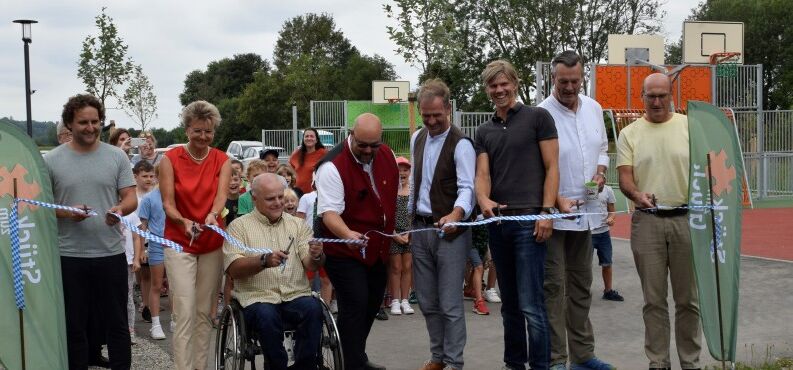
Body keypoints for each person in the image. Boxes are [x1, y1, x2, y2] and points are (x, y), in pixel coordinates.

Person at [474, 60, 560, 370]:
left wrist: (546, 212)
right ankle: (514, 363)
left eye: (503, 84)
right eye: (493, 86)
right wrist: (483, 198)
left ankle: (540, 366)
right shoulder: (484, 130)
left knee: (531, 305)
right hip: (499, 225)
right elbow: (482, 175)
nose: (499, 90)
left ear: (515, 84)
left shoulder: (539, 117)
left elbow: (552, 168)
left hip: (530, 223)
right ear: (487, 90)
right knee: (509, 305)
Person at [45, 94, 137, 369]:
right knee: (75, 325)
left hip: (110, 253)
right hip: (69, 255)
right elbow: (41, 207)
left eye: (95, 122)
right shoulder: (51, 160)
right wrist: (65, 212)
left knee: (117, 324)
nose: (90, 127)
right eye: (83, 122)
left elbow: (131, 197)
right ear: (69, 125)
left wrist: (120, 209)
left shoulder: (116, 156)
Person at [616, 73, 701, 370]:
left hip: (687, 220)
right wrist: (637, 195)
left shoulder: (690, 127)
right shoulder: (630, 133)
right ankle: (658, 362)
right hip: (647, 222)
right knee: (654, 301)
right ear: (642, 96)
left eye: (661, 95)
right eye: (650, 96)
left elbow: (706, 169)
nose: (656, 101)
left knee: (688, 300)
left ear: (671, 96)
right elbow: (624, 177)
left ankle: (690, 362)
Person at [537, 50, 614, 370]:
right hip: (554, 217)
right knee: (554, 288)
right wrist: (553, 203)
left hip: (587, 215)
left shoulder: (595, 109)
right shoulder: (541, 113)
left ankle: (583, 356)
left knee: (582, 285)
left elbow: (604, 149)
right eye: (562, 81)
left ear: (583, 78)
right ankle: (556, 359)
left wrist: (600, 172)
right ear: (552, 79)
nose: (569, 87)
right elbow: (536, 167)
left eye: (575, 81)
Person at [315, 113, 398, 370]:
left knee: (373, 302)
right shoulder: (332, 166)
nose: (368, 151)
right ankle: (350, 363)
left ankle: (354, 356)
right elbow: (329, 213)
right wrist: (347, 235)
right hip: (343, 249)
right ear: (351, 134)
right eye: (362, 145)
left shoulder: (387, 155)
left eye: (374, 145)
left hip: (376, 247)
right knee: (356, 302)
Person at [224, 173, 326, 370]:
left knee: (314, 309)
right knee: (266, 315)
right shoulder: (238, 227)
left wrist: (316, 255)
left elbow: (311, 264)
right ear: (254, 198)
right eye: (271, 198)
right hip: (257, 298)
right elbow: (233, 269)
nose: (278, 202)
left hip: (294, 295)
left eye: (281, 196)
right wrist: (263, 261)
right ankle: (277, 366)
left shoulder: (297, 225)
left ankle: (304, 366)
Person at [408, 79, 476, 370]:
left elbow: (468, 189)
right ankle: (437, 357)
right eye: (426, 115)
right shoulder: (416, 138)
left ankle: (454, 362)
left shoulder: (462, 144)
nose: (432, 121)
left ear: (448, 108)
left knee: (450, 303)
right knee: (427, 301)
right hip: (420, 228)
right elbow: (414, 184)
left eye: (437, 114)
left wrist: (456, 215)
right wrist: (406, 222)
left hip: (451, 233)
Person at [160, 100, 231, 370]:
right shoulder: (170, 159)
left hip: (211, 241)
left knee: (204, 313)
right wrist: (184, 222)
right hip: (179, 241)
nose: (203, 136)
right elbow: (168, 203)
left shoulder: (222, 160)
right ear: (187, 129)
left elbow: (221, 197)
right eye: (198, 130)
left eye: (208, 131)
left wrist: (213, 215)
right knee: (185, 311)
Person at [137, 164, 170, 340]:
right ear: (157, 177)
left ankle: (176, 320)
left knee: (175, 285)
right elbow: (143, 225)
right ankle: (155, 323)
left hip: (175, 245)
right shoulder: (149, 198)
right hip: (157, 244)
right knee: (156, 284)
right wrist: (142, 248)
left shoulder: (176, 196)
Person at [388, 156, 413, 316]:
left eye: (405, 170)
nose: (402, 173)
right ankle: (395, 300)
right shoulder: (390, 190)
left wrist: (409, 233)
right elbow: (386, 215)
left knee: (407, 267)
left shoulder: (413, 190)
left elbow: (414, 214)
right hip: (393, 234)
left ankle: (405, 299)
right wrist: (395, 235)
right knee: (395, 267)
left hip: (410, 233)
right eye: (399, 170)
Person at [590, 185, 623, 302]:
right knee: (584, 265)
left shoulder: (608, 190)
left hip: (604, 233)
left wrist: (611, 218)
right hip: (587, 233)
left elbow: (612, 212)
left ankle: (608, 291)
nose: (601, 180)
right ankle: (582, 292)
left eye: (603, 177)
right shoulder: (585, 189)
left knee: (607, 263)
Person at [289, 127, 328, 194]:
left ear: (316, 140)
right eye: (306, 136)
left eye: (312, 136)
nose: (309, 138)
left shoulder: (324, 153)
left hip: (316, 194)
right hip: (298, 194)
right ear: (303, 139)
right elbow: (289, 168)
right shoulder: (296, 154)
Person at [464, 221, 490, 316]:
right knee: (479, 266)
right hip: (469, 232)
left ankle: (469, 289)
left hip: (483, 233)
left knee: (480, 266)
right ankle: (479, 302)